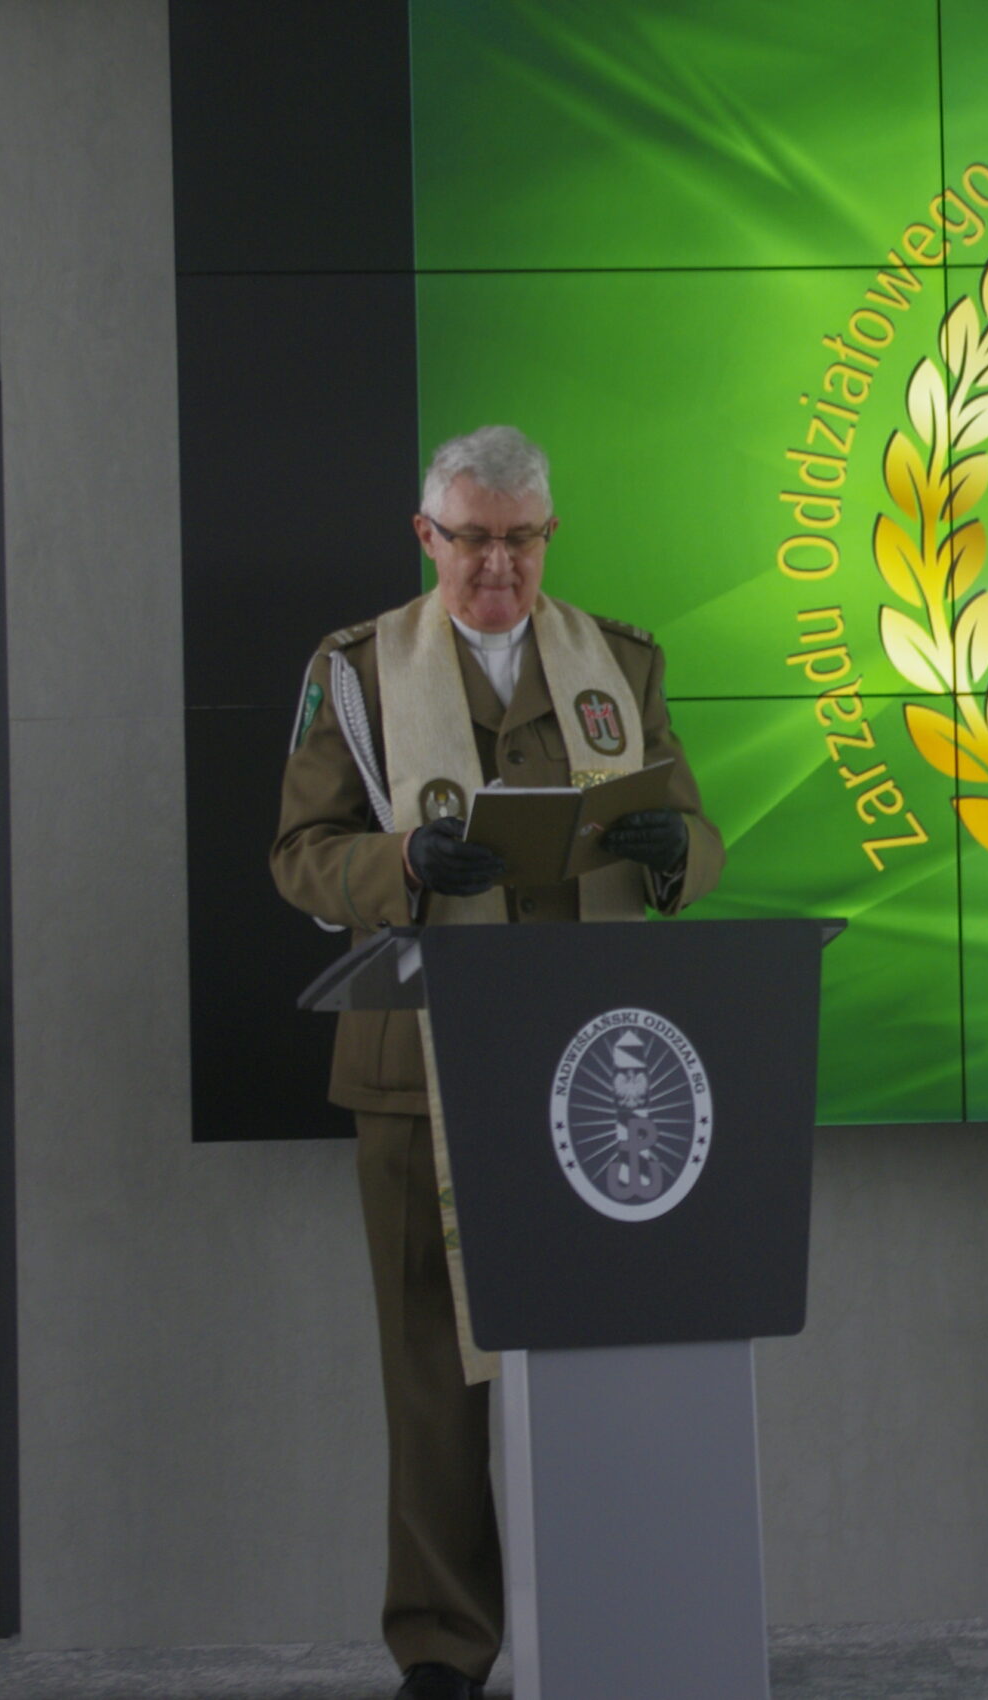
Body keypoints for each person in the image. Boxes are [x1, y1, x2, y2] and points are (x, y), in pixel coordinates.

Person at [271, 425, 723, 1700]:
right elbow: (299, 853)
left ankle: (605, 1620)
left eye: (522, 539)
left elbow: (698, 833)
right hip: (416, 1065)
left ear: (548, 537)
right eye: (473, 538)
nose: (498, 565)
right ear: (427, 537)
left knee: (596, 1364)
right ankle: (440, 1647)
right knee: (433, 1377)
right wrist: (399, 864)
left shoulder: (619, 661)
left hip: (593, 1069)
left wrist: (673, 849)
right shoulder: (356, 670)